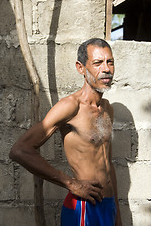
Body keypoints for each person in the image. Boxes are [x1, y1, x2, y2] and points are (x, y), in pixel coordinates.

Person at [9, 38, 122, 226]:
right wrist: (71, 183)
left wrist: (116, 214)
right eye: (97, 63)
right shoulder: (71, 106)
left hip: (107, 207)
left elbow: (108, 164)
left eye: (110, 61)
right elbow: (20, 150)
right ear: (81, 68)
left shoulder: (107, 109)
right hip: (84, 208)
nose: (106, 69)